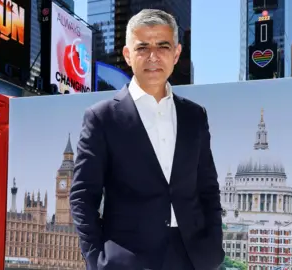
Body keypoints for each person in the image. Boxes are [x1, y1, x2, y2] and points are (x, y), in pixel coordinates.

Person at [70, 9, 224, 270]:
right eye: (142, 47)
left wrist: (213, 250)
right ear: (128, 55)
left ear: (176, 53)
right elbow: (83, 196)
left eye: (162, 46)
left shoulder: (195, 116)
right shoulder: (102, 117)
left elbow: (208, 188)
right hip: (126, 259)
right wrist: (97, 261)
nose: (153, 56)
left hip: (192, 258)